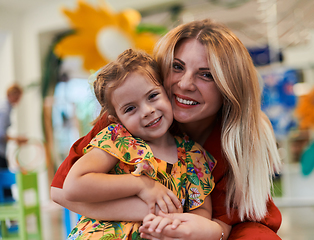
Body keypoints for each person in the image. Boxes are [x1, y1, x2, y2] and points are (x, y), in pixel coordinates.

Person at [51, 19, 282, 240]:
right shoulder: (122, 126)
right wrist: (148, 200)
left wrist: (188, 226)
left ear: (228, 86)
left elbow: (216, 220)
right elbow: (62, 191)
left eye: (206, 74)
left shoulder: (209, 151)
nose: (184, 84)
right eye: (177, 67)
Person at [63, 49, 217, 239]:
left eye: (152, 96)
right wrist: (141, 185)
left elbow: (201, 212)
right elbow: (73, 186)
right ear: (117, 119)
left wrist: (176, 228)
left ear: (167, 92)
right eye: (130, 108)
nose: (146, 111)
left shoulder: (194, 156)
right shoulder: (119, 139)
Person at [0, 84, 28, 200]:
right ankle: (8, 215)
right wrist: (17, 139)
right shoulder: (4, 110)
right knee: (5, 183)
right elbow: (1, 134)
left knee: (5, 184)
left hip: (2, 152)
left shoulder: (8, 109)